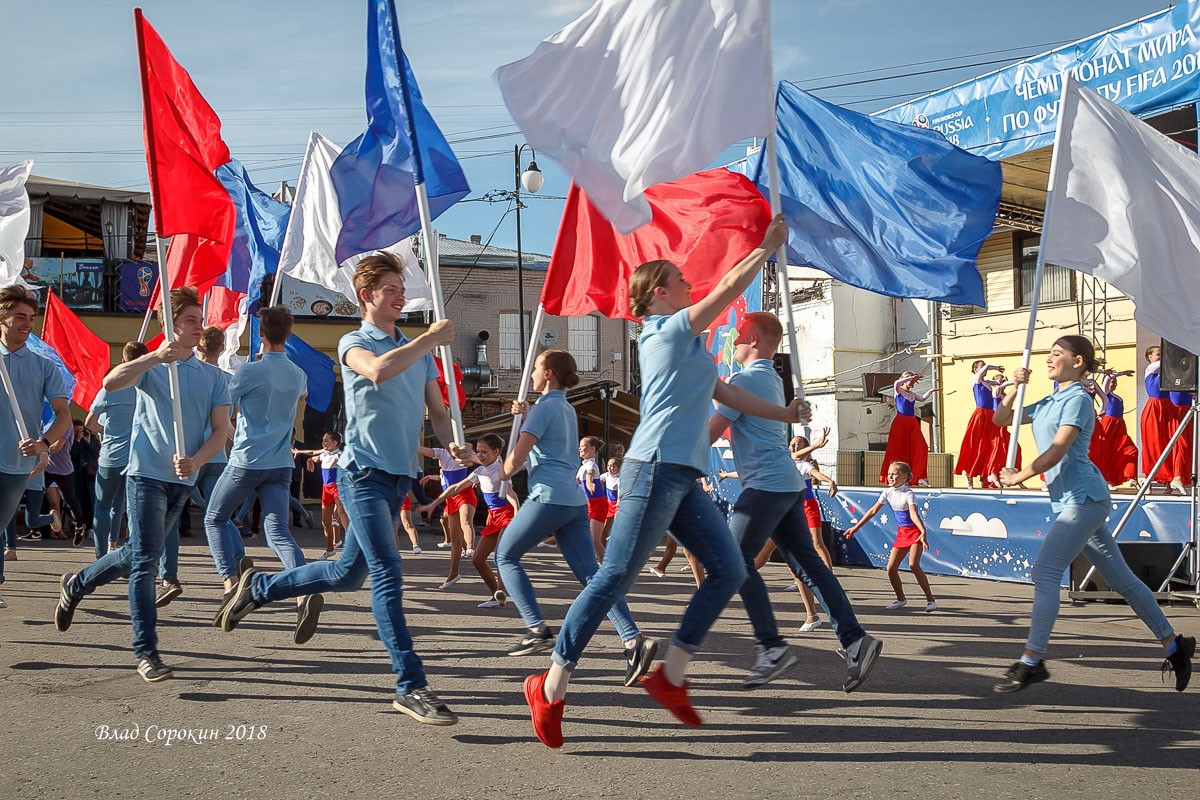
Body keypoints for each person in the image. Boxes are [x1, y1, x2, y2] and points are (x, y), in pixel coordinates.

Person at [523, 214, 807, 748]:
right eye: (680, 280)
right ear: (657, 292)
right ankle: (551, 684)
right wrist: (765, 247)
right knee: (612, 579)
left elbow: (728, 395)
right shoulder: (663, 332)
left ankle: (671, 675)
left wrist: (786, 416)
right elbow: (725, 290)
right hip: (652, 469)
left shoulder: (692, 347)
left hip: (683, 476)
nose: (688, 284)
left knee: (727, 569)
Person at [218, 251, 469, 725]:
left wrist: (453, 443)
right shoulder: (355, 342)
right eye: (390, 290)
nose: (399, 297)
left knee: (347, 575)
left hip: (399, 477)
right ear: (366, 296)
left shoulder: (419, 352)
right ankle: (410, 685)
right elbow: (376, 371)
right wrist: (429, 340)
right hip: (363, 475)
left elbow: (437, 410)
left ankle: (261, 587)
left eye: (401, 289)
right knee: (388, 574)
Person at [993, 335, 1194, 693]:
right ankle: (1174, 646)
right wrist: (1013, 387)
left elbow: (1057, 450)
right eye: (1048, 354)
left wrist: (1018, 475)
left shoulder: (1078, 400)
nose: (1049, 359)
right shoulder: (1052, 399)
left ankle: (1033, 659)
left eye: (1057, 354)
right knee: (1124, 581)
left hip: (1084, 498)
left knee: (1045, 572)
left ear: (1079, 362)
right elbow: (1001, 419)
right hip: (1074, 501)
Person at [53, 287, 232, 682]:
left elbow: (221, 432)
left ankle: (77, 583)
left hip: (182, 479)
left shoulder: (215, 377)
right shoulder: (155, 367)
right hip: (145, 474)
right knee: (146, 563)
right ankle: (146, 651)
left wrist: (198, 461)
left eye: (199, 320)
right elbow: (111, 382)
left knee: (137, 551)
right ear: (170, 324)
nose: (197, 326)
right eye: (189, 320)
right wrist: (153, 355)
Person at [710, 311, 882, 691]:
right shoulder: (771, 378)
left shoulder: (744, 380)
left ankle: (771, 647)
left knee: (733, 560)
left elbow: (709, 434)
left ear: (753, 338)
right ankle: (855, 640)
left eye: (738, 336)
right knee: (809, 567)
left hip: (766, 485)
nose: (733, 342)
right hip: (785, 484)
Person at [494, 349, 656, 685]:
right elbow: (548, 443)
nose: (534, 373)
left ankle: (536, 627)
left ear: (549, 373)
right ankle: (633, 640)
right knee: (592, 577)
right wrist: (524, 417)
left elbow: (514, 462)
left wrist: (503, 471)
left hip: (548, 498)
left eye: (536, 367)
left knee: (505, 555)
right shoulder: (565, 408)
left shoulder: (543, 409)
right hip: (573, 502)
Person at [204, 306, 318, 643]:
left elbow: (224, 408)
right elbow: (303, 394)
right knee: (278, 532)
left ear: (262, 335)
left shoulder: (248, 372)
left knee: (214, 517)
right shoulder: (298, 374)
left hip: (247, 459)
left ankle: (230, 585)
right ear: (289, 334)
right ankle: (301, 590)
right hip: (281, 461)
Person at [0, 286, 71, 608]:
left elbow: (63, 415)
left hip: (17, 463)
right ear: (3, 318)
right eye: (20, 317)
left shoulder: (44, 366)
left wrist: (43, 442)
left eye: (31, 318)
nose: (28, 323)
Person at [155, 325, 232, 607]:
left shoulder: (185, 375)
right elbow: (225, 425)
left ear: (200, 346)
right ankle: (235, 563)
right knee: (217, 514)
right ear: (221, 349)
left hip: (188, 458)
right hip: (216, 456)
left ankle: (169, 576)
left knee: (170, 521)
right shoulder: (224, 378)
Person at [421, 434, 516, 608]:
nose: (479, 455)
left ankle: (502, 591)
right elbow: (456, 487)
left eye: (484, 452)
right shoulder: (480, 471)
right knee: (477, 560)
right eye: (478, 451)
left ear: (496, 452)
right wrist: (434, 503)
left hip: (508, 516)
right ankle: (496, 596)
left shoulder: (501, 470)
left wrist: (517, 514)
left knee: (501, 555)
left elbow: (511, 494)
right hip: (493, 517)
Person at [844, 461, 937, 612]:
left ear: (904, 476)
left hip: (915, 532)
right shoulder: (887, 492)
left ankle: (930, 600)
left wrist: (923, 531)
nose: (890, 477)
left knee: (913, 564)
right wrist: (855, 528)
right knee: (891, 568)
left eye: (894, 474)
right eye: (889, 474)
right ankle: (901, 599)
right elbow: (873, 511)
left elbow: (913, 514)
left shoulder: (908, 494)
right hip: (902, 533)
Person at [85, 342, 148, 557]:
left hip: (111, 455)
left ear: (123, 361)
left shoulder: (110, 388)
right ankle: (129, 554)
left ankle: (101, 556)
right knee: (131, 509)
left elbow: (90, 424)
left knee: (103, 506)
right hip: (139, 457)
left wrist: (108, 429)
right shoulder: (149, 386)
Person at [417, 445, 475, 588]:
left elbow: (480, 461)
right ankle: (453, 573)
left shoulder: (462, 452)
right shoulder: (443, 454)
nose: (438, 463)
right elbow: (426, 451)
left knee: (466, 521)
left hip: (464, 494)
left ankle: (470, 547)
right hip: (451, 498)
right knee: (455, 537)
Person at [295, 432, 350, 559]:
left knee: (342, 512)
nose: (323, 443)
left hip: (336, 487)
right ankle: (330, 549)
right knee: (326, 521)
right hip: (326, 489)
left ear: (334, 443)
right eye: (323, 441)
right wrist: (306, 457)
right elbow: (313, 453)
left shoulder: (338, 455)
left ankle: (351, 541)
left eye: (326, 441)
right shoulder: (324, 453)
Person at [880, 372, 938, 486]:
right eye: (911, 381)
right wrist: (911, 377)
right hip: (901, 422)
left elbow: (922, 399)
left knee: (922, 447)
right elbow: (896, 382)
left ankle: (920, 476)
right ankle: (896, 477)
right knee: (899, 450)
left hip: (912, 422)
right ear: (905, 380)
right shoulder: (899, 391)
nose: (913, 383)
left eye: (914, 381)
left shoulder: (911, 394)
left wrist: (931, 391)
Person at [954, 361, 1004, 488]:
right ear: (976, 369)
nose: (984, 368)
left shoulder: (987, 382)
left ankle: (990, 471)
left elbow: (999, 383)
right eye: (981, 366)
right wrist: (996, 367)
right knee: (974, 443)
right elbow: (987, 367)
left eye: (984, 366)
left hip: (989, 416)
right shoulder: (976, 379)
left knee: (990, 444)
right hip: (980, 414)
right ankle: (969, 475)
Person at [1091, 371, 1138, 488]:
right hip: (1109, 423)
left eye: (1115, 382)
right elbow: (1107, 378)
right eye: (1112, 382)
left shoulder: (1115, 396)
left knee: (1131, 450)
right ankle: (1106, 479)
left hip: (1119, 425)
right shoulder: (1106, 392)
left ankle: (1131, 476)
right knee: (1106, 452)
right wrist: (1122, 373)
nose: (1114, 384)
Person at [1140, 345, 1177, 488]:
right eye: (1158, 354)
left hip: (1168, 409)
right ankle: (1149, 480)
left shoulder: (1168, 373)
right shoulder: (1149, 369)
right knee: (1152, 445)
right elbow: (1160, 364)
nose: (1161, 357)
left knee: (1169, 443)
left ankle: (1169, 480)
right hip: (1154, 409)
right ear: (1150, 357)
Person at [577, 436, 607, 561]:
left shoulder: (591, 464)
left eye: (583, 446)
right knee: (587, 538)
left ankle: (609, 568)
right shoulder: (582, 466)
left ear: (592, 449)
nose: (580, 448)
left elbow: (590, 473)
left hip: (598, 504)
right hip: (587, 504)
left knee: (594, 539)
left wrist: (589, 482)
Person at [70, 418, 100, 544]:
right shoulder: (71, 439)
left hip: (90, 474)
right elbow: (71, 454)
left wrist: (88, 442)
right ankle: (77, 525)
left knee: (92, 501)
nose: (80, 434)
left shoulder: (91, 438)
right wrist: (77, 440)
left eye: (81, 431)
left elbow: (98, 452)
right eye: (76, 431)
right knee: (78, 500)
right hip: (77, 474)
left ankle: (91, 527)